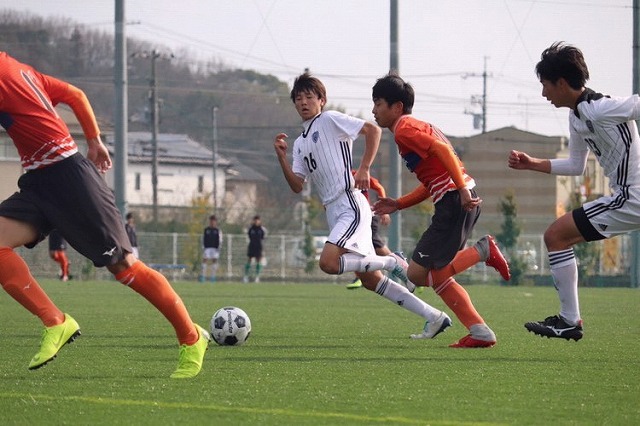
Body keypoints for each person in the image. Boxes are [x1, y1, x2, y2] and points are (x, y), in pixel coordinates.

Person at [0, 52, 208, 378]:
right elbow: (75, 95)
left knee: (125, 267)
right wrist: (94, 141)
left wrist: (94, 141)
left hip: (71, 177)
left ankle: (191, 338)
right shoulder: (20, 68)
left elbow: (74, 97)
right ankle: (56, 321)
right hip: (40, 183)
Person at [274, 72, 452, 340]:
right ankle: (434, 317)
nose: (303, 102)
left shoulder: (330, 119)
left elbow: (372, 130)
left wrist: (365, 168)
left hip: (349, 203)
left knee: (328, 263)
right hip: (333, 211)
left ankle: (392, 260)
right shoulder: (299, 144)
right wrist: (281, 158)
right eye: (298, 98)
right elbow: (297, 185)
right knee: (370, 280)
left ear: (321, 100)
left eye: (309, 97)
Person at [508, 42, 640, 341]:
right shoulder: (577, 116)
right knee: (557, 236)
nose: (544, 94)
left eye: (545, 86)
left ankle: (569, 320)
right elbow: (576, 166)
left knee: (555, 236)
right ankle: (568, 320)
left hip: (631, 196)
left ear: (562, 83)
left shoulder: (601, 107)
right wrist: (532, 164)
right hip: (628, 197)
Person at [371, 73, 511, 348]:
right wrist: (399, 203)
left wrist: (459, 189)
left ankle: (482, 251)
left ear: (396, 107)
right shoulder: (415, 126)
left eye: (378, 103)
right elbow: (431, 181)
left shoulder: (404, 129)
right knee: (436, 275)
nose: (374, 110)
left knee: (416, 274)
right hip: (455, 198)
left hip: (454, 201)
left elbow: (444, 151)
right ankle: (480, 332)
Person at [346, 171, 412, 291]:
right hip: (353, 217)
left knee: (373, 244)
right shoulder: (337, 176)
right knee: (357, 246)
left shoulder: (355, 174)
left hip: (367, 216)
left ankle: (398, 264)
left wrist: (383, 209)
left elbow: (378, 186)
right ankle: (365, 274)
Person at [243, 215, 266, 283]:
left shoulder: (262, 229)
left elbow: (263, 238)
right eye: (255, 220)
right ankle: (246, 276)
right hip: (252, 246)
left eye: (257, 220)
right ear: (253, 221)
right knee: (249, 260)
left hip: (259, 247)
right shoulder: (250, 229)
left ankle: (257, 277)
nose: (256, 221)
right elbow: (248, 237)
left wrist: (263, 248)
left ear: (260, 221)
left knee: (258, 261)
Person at [200, 215, 222, 282]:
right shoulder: (206, 230)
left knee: (214, 261)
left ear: (215, 222)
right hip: (207, 248)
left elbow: (220, 240)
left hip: (215, 248)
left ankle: (213, 277)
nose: (212, 222)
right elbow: (203, 239)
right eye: (211, 221)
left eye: (214, 221)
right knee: (204, 260)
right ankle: (203, 276)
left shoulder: (218, 230)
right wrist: (203, 247)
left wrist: (219, 247)